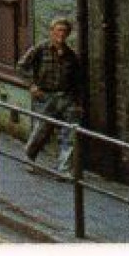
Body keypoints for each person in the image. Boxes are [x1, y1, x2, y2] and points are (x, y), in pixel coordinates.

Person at [19, 17, 84, 173]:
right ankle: (29, 157)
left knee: (70, 133)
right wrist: (32, 85)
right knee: (41, 131)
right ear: (52, 32)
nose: (61, 34)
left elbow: (77, 80)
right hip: (44, 96)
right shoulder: (40, 49)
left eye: (65, 31)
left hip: (66, 97)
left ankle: (63, 169)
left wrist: (78, 102)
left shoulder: (71, 55)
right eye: (59, 30)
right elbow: (22, 67)